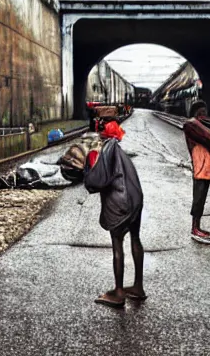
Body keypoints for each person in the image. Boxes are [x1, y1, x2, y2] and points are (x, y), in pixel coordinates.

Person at [84, 120, 145, 308]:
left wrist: (86, 168)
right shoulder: (120, 151)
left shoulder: (107, 151)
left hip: (120, 203)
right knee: (135, 238)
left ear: (104, 135)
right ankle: (137, 287)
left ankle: (118, 292)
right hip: (135, 200)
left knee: (117, 244)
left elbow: (97, 181)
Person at [183, 100, 210, 244]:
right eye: (202, 112)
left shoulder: (195, 124)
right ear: (197, 113)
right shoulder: (191, 124)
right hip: (200, 167)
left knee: (201, 197)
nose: (204, 116)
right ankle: (195, 229)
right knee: (198, 197)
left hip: (205, 168)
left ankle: (198, 227)